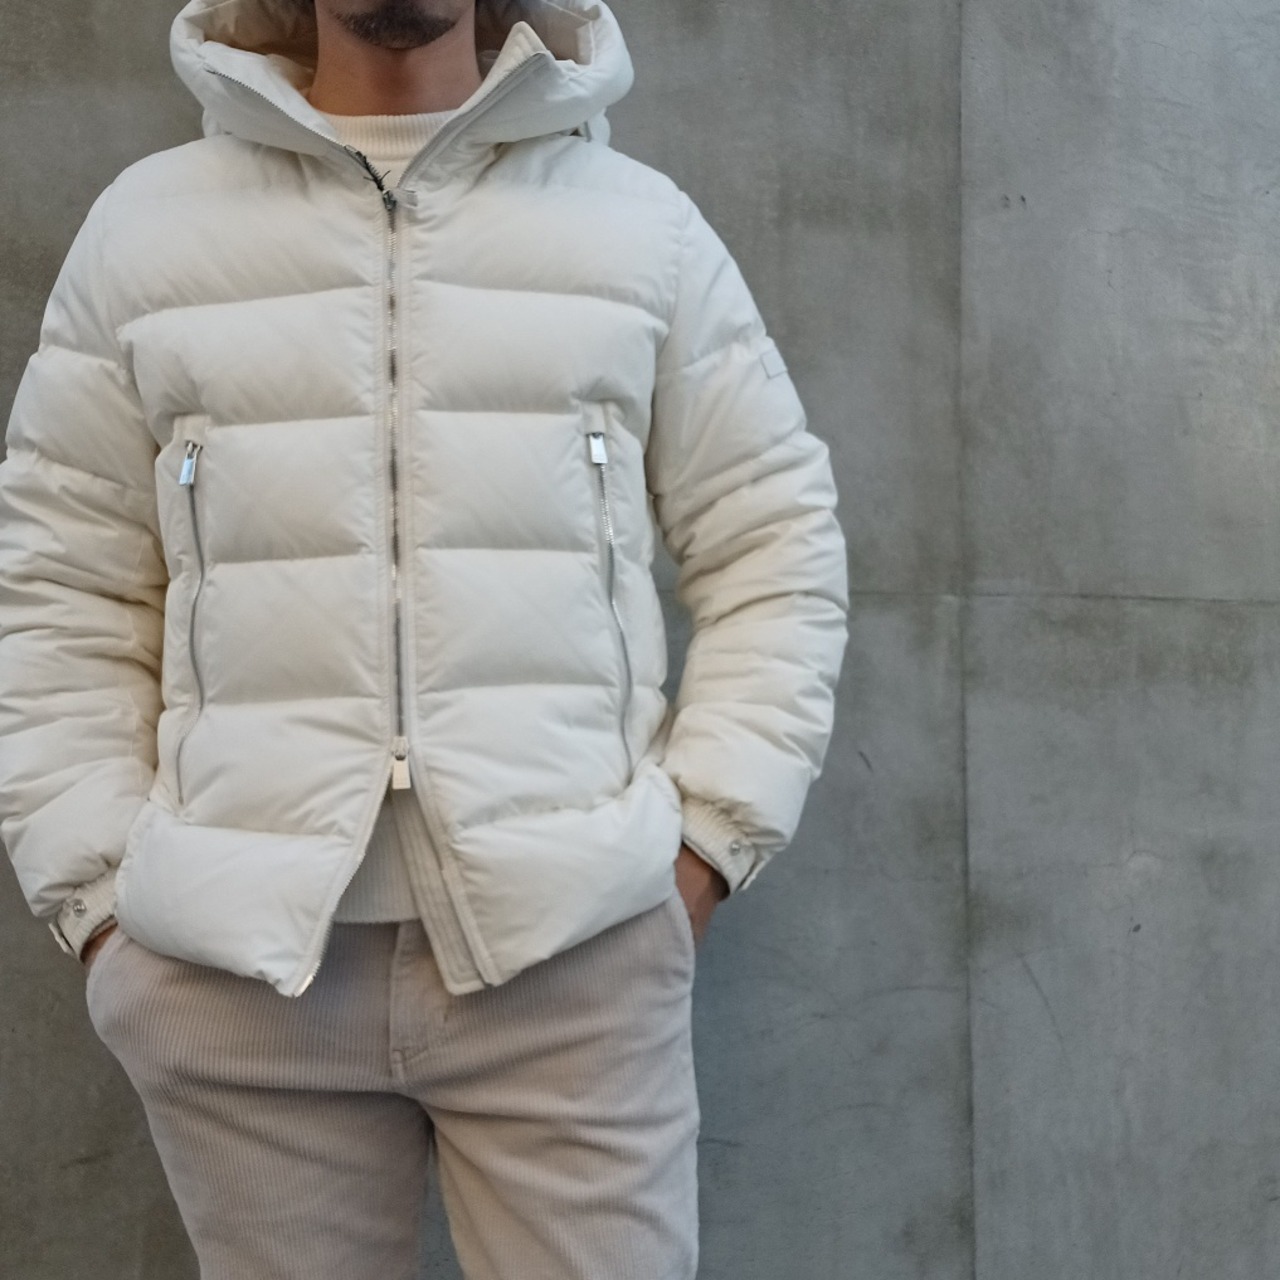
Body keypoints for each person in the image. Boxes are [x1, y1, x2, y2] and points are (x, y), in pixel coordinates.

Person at [0, 0, 850, 1275]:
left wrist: (702, 846)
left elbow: (772, 543)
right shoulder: (147, 230)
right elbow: (62, 584)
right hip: (235, 982)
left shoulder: (640, 229)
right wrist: (101, 900)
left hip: (571, 955)